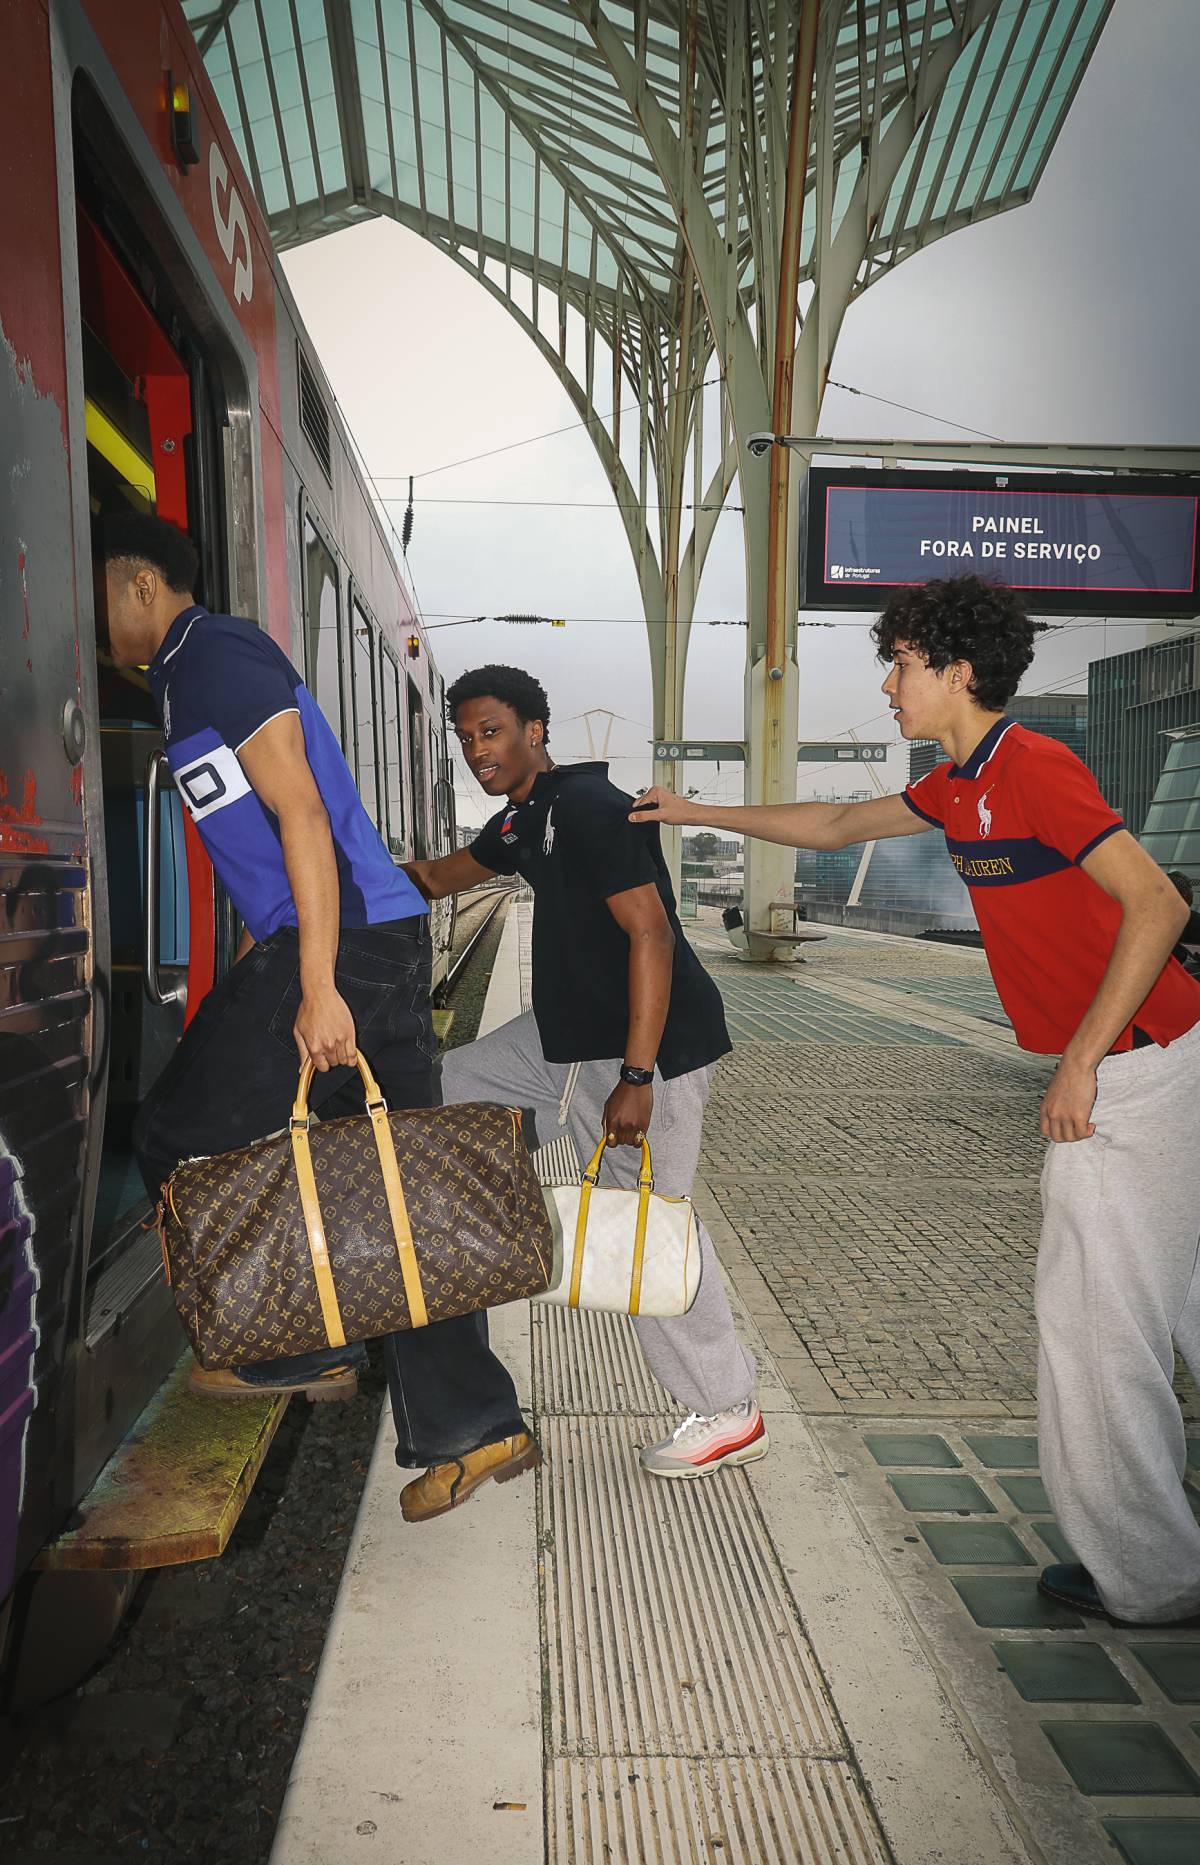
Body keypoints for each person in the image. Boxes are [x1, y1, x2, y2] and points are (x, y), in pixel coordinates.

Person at [633, 574, 1200, 1628]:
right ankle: (1158, 1549)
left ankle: (1152, 1573)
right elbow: (841, 819)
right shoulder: (961, 781)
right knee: (1177, 1301)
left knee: (1095, 1319)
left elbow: (1157, 902)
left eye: (901, 661)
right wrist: (695, 807)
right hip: (1160, 1054)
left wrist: (1081, 1060)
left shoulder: (1033, 765)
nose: (889, 683)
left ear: (958, 670)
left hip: (1138, 1064)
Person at [95, 515, 538, 1486]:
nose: (97, 622)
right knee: (396, 1184)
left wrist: (314, 986)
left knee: (177, 1130)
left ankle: (293, 1346)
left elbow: (299, 810)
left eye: (99, 594)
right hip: (350, 939)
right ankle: (478, 1424)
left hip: (345, 950)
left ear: (136, 584)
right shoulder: (181, 674)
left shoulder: (212, 652)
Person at [392, 665, 764, 1524]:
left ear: (535, 728)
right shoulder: (525, 818)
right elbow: (440, 877)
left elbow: (652, 936)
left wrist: (634, 1080)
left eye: (491, 732)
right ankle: (502, 1229)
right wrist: (322, 861)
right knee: (446, 1091)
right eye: (465, 737)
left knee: (652, 1226)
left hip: (652, 1046)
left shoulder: (594, 811)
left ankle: (729, 1407)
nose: (477, 750)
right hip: (564, 1038)